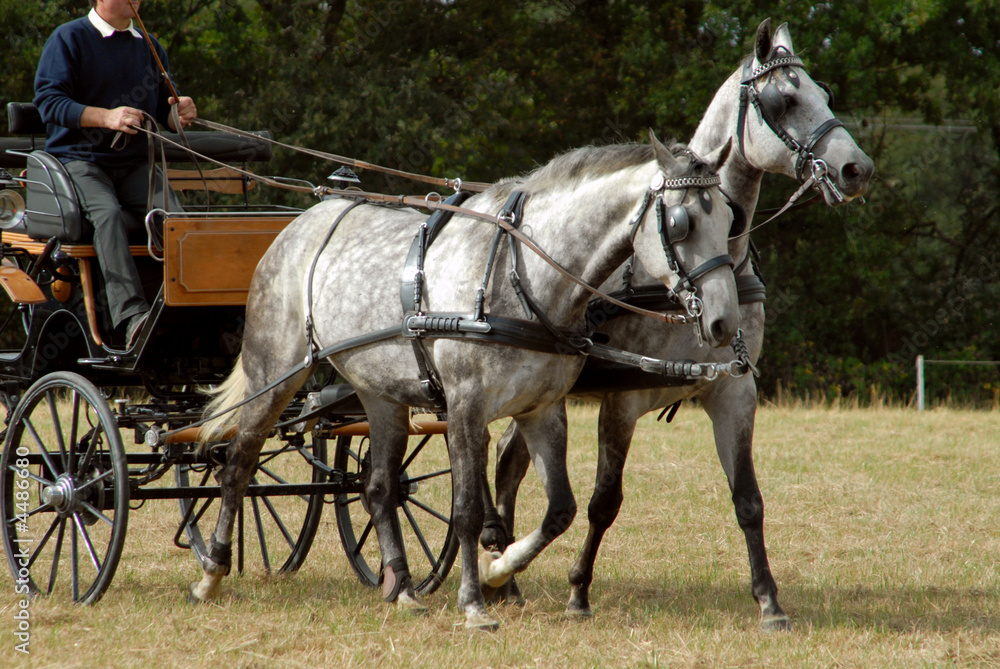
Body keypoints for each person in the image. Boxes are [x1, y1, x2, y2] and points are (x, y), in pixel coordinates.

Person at [34, 0, 197, 348]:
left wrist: (177, 114)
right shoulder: (69, 38)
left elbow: (161, 112)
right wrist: (106, 117)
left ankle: (190, 305)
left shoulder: (150, 45)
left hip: (136, 164)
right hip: (80, 161)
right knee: (107, 215)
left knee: (176, 220)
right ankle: (132, 317)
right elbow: (49, 103)